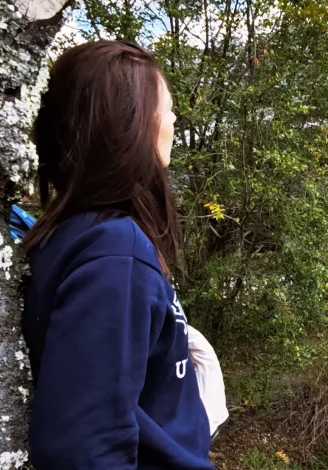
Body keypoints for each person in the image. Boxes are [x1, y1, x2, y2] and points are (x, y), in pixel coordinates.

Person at [21, 40, 224, 470]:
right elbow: (83, 451)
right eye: (167, 107)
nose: (173, 120)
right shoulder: (116, 250)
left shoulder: (80, 236)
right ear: (131, 123)